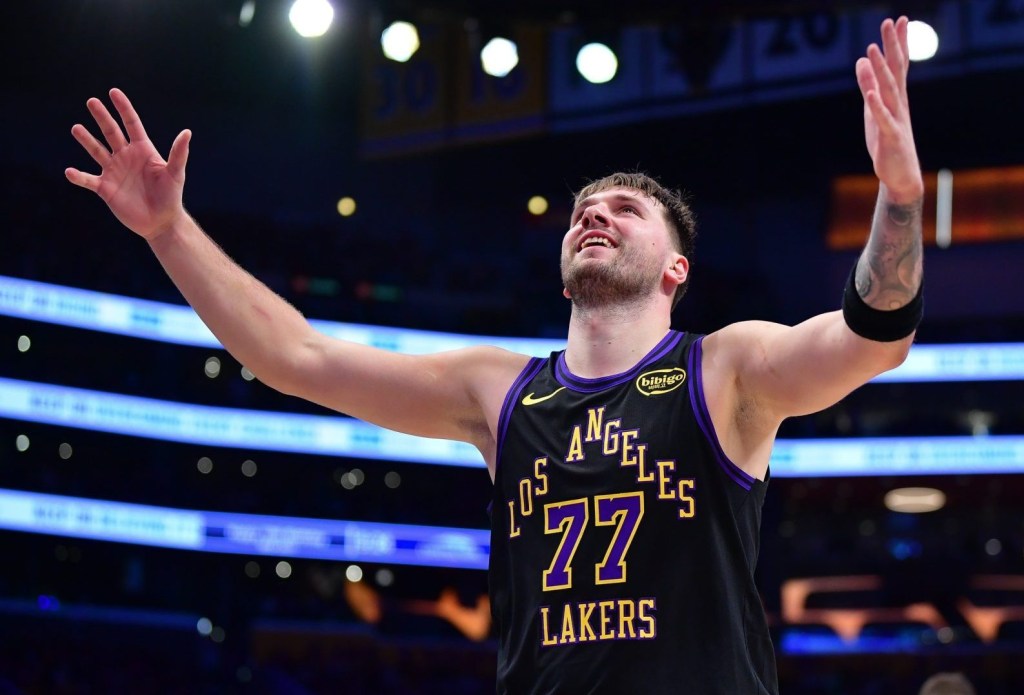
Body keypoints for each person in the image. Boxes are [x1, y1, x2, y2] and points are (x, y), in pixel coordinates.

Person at [65, 16, 923, 695]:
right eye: (583, 210)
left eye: (625, 210)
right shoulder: (500, 390)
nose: (594, 215)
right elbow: (296, 355)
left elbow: (873, 336)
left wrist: (899, 196)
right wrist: (169, 232)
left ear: (676, 268)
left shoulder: (724, 368)